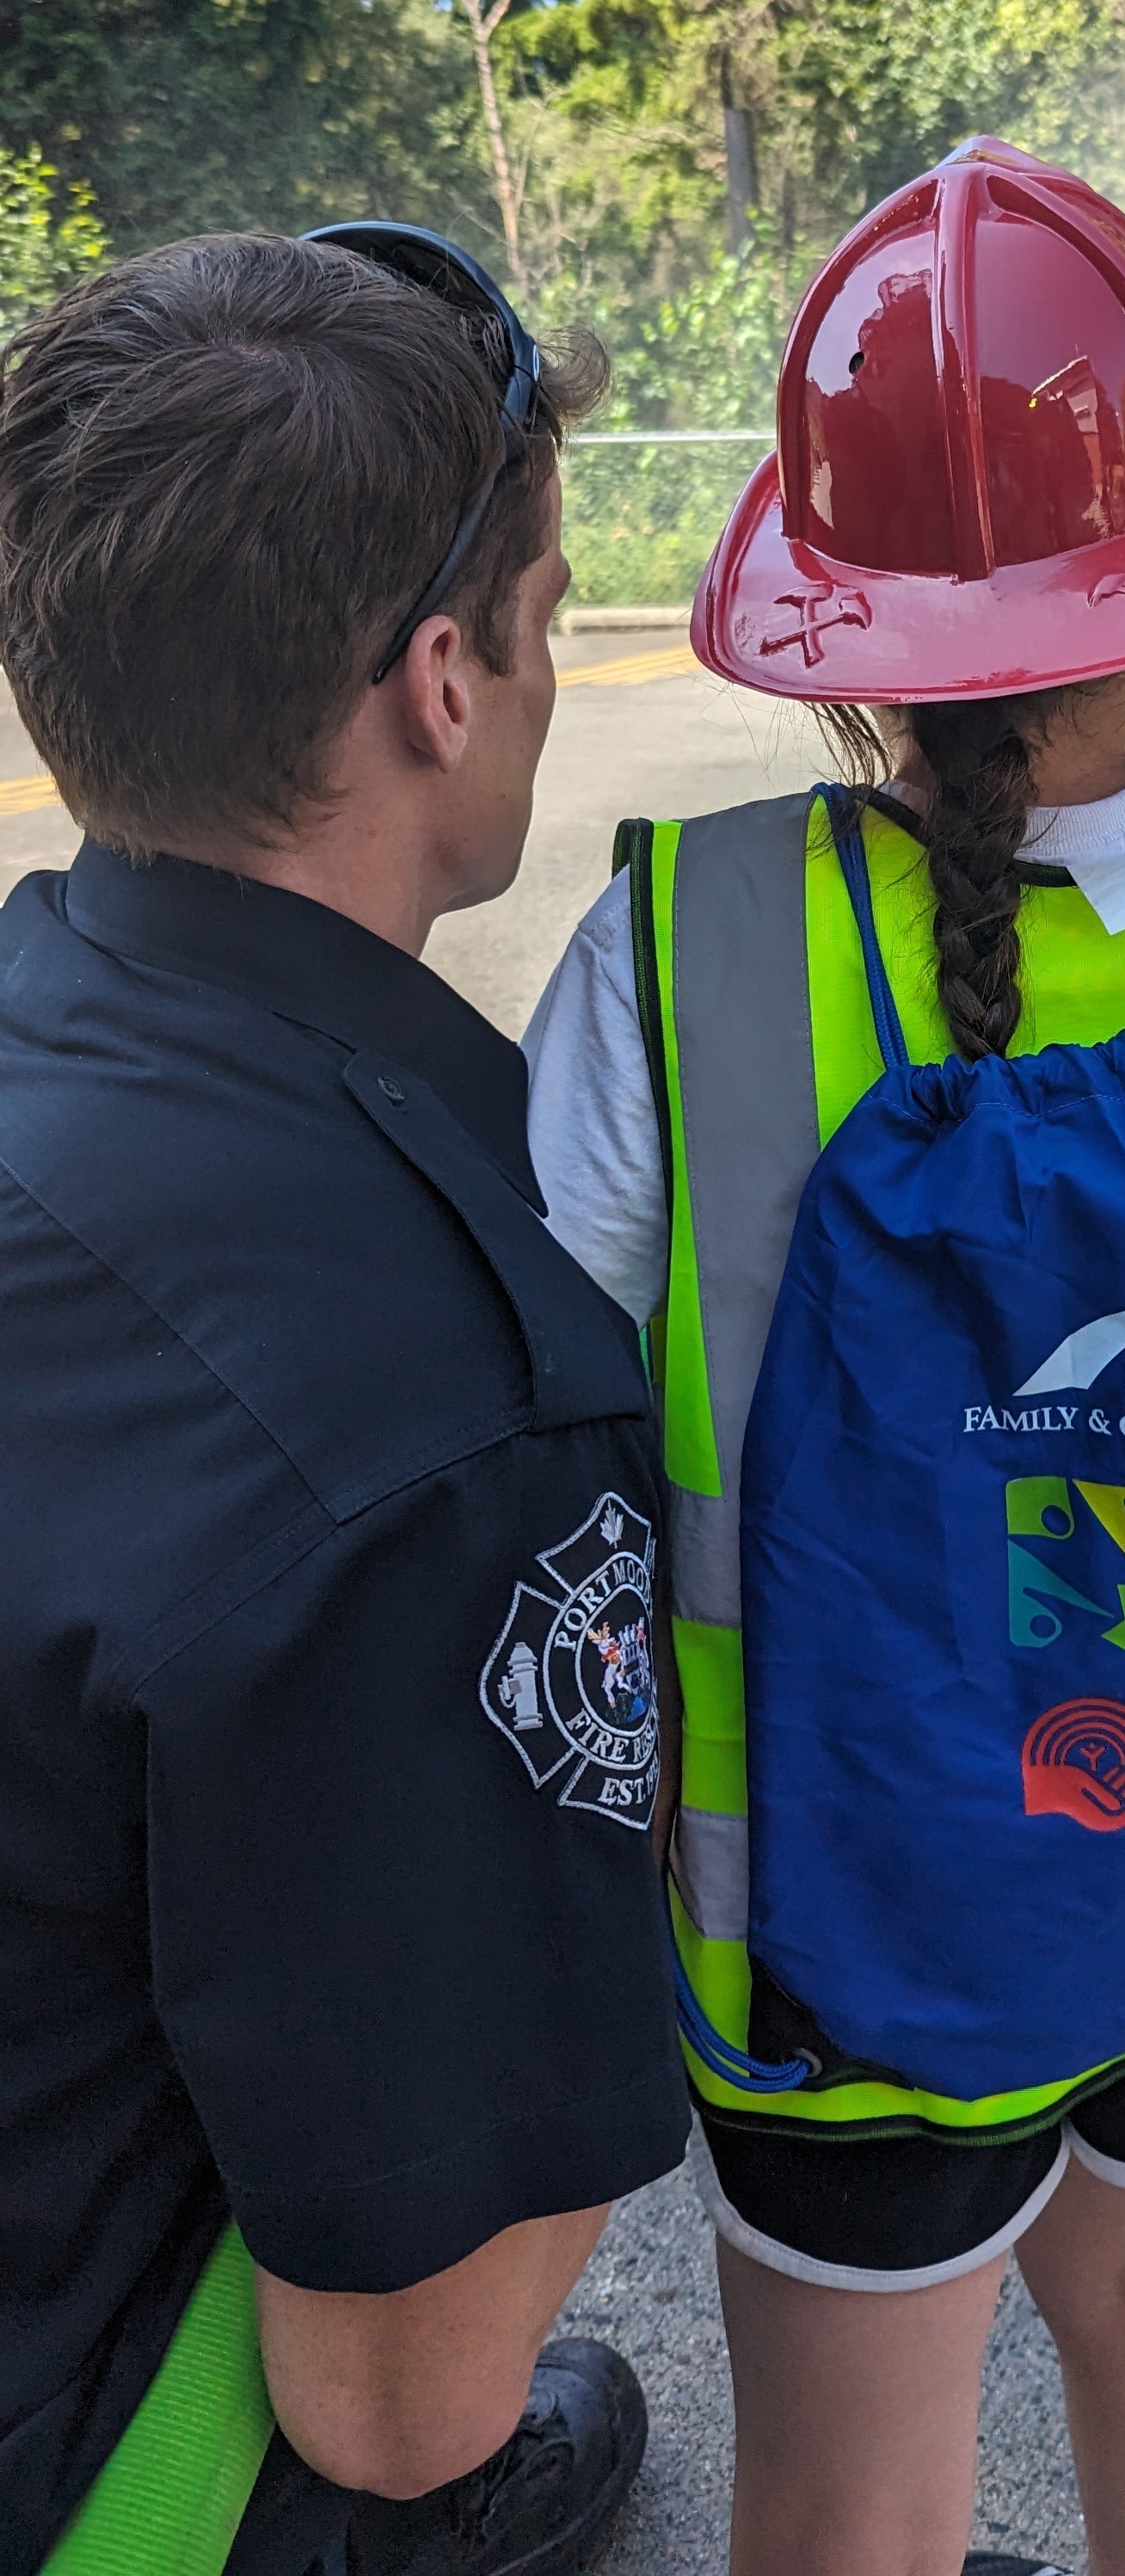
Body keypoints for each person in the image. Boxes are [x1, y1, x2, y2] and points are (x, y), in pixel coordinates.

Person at [524, 138, 1125, 2576]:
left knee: (850, 2470)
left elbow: (539, 1394)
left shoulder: (696, 950)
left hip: (864, 1904)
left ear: (835, 631)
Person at [0, 227, 692, 2576]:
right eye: (546, 616)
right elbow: (401, 2399)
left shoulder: (32, 1029)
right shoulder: (443, 1407)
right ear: (438, 684)